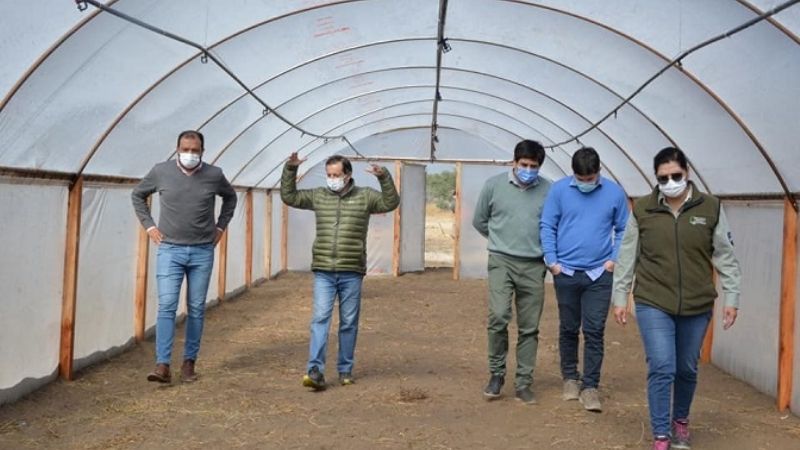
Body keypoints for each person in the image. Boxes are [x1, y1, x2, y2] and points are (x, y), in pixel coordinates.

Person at [612, 147, 741, 450]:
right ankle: (661, 434)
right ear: (656, 178)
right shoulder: (643, 210)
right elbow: (628, 254)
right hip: (653, 300)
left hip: (697, 303)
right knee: (662, 366)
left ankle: (680, 421)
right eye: (663, 178)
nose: (670, 182)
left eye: (676, 175)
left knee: (686, 368)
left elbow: (725, 255)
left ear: (687, 172)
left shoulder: (710, 207)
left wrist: (732, 296)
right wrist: (621, 295)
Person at [281, 152, 399, 391]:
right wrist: (290, 169)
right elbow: (290, 196)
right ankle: (315, 370)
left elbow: (390, 202)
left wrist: (384, 177)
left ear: (348, 175)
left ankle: (345, 370)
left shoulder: (365, 196)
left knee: (348, 322)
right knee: (320, 319)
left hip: (351, 270)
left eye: (336, 175)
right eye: (329, 175)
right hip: (324, 269)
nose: (332, 179)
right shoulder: (318, 195)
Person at [132, 130, 237, 383]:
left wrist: (220, 227)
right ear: (177, 149)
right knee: (167, 305)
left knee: (196, 308)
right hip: (170, 249)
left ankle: (189, 363)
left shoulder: (214, 174)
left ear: (202, 151)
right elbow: (137, 195)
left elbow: (230, 198)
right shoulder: (161, 171)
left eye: (195, 150)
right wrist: (149, 226)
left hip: (202, 250)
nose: (190, 154)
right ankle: (162, 365)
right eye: (185, 149)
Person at [540, 147, 628, 412]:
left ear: (598, 172)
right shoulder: (559, 190)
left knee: (594, 330)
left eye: (590, 179)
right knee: (568, 327)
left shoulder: (614, 193)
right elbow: (547, 225)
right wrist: (552, 262)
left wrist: (613, 260)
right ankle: (570, 378)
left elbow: (624, 228)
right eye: (580, 179)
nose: (585, 183)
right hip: (565, 272)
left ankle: (590, 386)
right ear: (573, 174)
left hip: (599, 274)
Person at [472, 139, 551, 404]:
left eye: (533, 166)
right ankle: (496, 374)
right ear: (514, 162)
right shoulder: (493, 186)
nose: (528, 170)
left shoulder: (549, 191)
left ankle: (523, 382)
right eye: (524, 164)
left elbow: (553, 226)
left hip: (534, 265)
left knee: (529, 326)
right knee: (498, 316)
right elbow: (480, 220)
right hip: (501, 261)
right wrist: (500, 240)